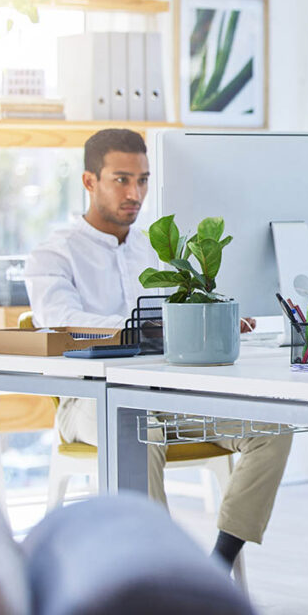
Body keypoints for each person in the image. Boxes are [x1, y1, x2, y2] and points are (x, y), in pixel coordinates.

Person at [24, 128, 293, 571]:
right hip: (90, 399)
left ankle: (217, 565)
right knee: (137, 425)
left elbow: (180, 313)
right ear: (90, 181)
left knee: (275, 427)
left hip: (169, 392)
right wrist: (153, 326)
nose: (136, 193)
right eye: (122, 179)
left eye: (143, 180)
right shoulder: (54, 255)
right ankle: (158, 576)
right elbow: (60, 321)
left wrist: (209, 316)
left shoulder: (156, 247)